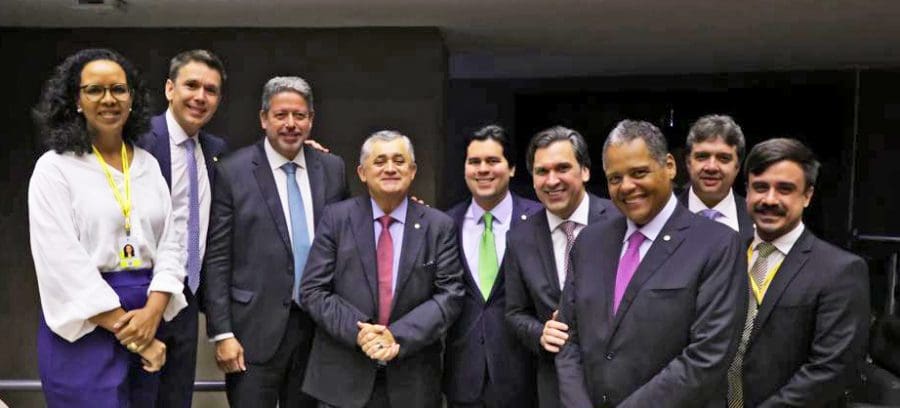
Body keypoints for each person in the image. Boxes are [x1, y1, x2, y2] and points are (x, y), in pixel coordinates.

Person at [28, 48, 186, 407]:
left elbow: (172, 244)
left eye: (118, 89)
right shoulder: (55, 169)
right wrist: (137, 336)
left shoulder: (147, 164)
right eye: (94, 90)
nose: (108, 99)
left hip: (147, 315)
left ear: (132, 98)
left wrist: (154, 312)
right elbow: (62, 264)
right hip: (87, 325)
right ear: (76, 101)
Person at [556, 120, 746, 408]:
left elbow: (708, 355)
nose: (627, 187)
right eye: (615, 178)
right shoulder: (590, 242)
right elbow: (567, 338)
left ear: (669, 166)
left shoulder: (718, 244)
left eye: (639, 173)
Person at [203, 76, 349, 407]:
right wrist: (222, 333)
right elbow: (218, 257)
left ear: (311, 120)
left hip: (317, 330)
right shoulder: (232, 171)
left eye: (300, 115)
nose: (291, 124)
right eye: (281, 115)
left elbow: (348, 243)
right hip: (252, 332)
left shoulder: (332, 168)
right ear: (264, 118)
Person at [301, 130, 465, 408]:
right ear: (362, 172)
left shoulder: (438, 226)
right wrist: (361, 333)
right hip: (342, 378)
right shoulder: (336, 219)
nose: (390, 168)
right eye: (380, 161)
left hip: (412, 381)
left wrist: (395, 335)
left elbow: (450, 295)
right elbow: (313, 291)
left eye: (399, 161)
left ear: (412, 171)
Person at [727, 138, 870, 407]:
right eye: (760, 187)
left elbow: (831, 370)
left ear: (807, 196)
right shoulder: (724, 256)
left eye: (785, 189)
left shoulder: (840, 271)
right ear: (747, 191)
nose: (770, 199)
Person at [138, 49, 229, 408]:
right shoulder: (139, 142)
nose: (200, 97)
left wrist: (306, 156)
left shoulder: (216, 150)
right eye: (191, 85)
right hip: (140, 299)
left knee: (176, 400)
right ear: (169, 89)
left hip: (188, 299)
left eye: (211, 90)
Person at [504, 126, 617, 408]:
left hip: (620, 378)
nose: (552, 180)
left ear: (586, 171)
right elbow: (515, 312)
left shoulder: (620, 221)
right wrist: (539, 333)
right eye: (542, 171)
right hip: (556, 386)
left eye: (563, 168)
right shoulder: (520, 238)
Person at [443, 125, 542, 408]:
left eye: (493, 161)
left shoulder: (538, 220)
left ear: (511, 168)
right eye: (474, 162)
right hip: (462, 376)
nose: (482, 169)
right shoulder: (444, 224)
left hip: (524, 376)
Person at [678, 114, 754, 242]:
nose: (711, 167)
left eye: (723, 158)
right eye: (702, 156)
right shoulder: (663, 214)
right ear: (688, 162)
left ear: (737, 166)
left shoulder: (756, 218)